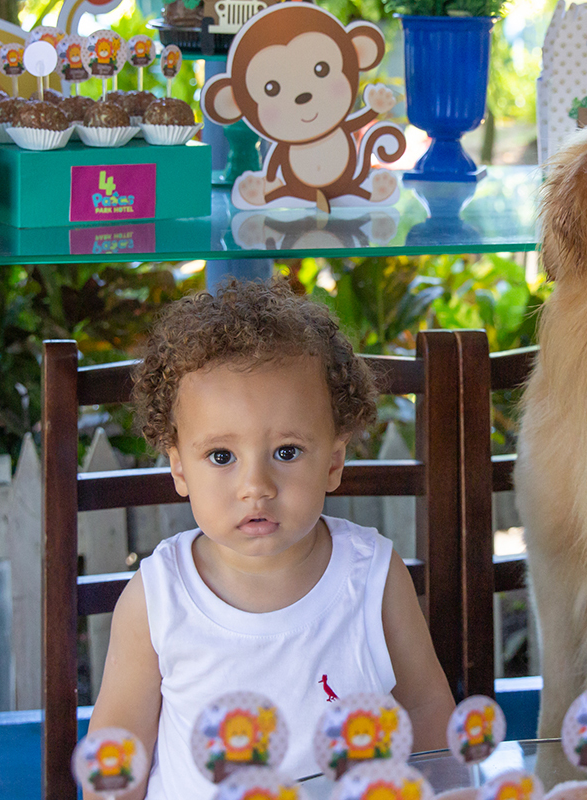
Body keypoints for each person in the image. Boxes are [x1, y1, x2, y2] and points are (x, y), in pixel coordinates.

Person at [86, 278, 456, 799]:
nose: (255, 486)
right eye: (221, 457)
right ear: (179, 468)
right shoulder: (158, 598)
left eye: (286, 451)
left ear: (333, 460)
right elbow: (119, 750)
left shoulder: (370, 575)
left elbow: (426, 712)